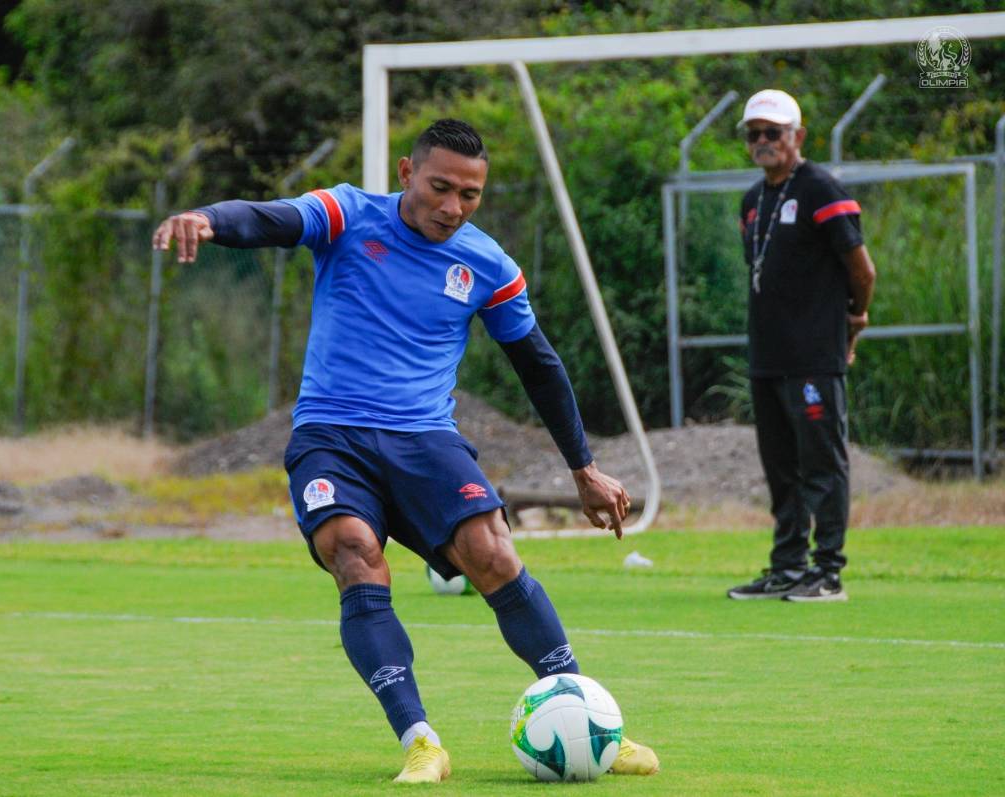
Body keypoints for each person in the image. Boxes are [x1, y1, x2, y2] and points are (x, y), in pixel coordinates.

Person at [153, 119, 659, 782]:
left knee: (492, 553)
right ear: (405, 174)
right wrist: (208, 218)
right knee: (353, 549)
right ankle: (422, 741)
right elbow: (270, 218)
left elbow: (538, 364)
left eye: (469, 195)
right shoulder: (346, 215)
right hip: (331, 436)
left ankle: (593, 723)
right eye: (440, 187)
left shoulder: (487, 264)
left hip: (426, 439)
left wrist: (583, 467)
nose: (452, 207)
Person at [726, 90, 877, 603]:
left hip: (815, 355)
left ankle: (827, 571)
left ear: (798, 136)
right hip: (768, 357)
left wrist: (853, 323)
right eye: (755, 134)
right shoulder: (753, 200)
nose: (763, 142)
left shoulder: (823, 190)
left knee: (823, 464)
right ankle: (787, 567)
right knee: (781, 466)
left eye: (773, 132)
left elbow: (862, 270)